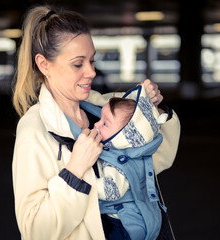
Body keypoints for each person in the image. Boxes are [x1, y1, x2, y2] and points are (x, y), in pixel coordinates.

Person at [12, 4, 181, 240]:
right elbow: (35, 231)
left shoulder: (105, 106)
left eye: (92, 60)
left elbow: (156, 161)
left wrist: (153, 112)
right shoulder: (34, 130)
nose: (91, 72)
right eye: (78, 64)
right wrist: (75, 170)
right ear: (44, 65)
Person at [79, 85, 171, 240]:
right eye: (100, 119)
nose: (96, 125)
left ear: (125, 136)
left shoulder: (120, 162)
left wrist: (84, 182)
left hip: (125, 224)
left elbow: (113, 190)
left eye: (105, 123)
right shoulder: (129, 151)